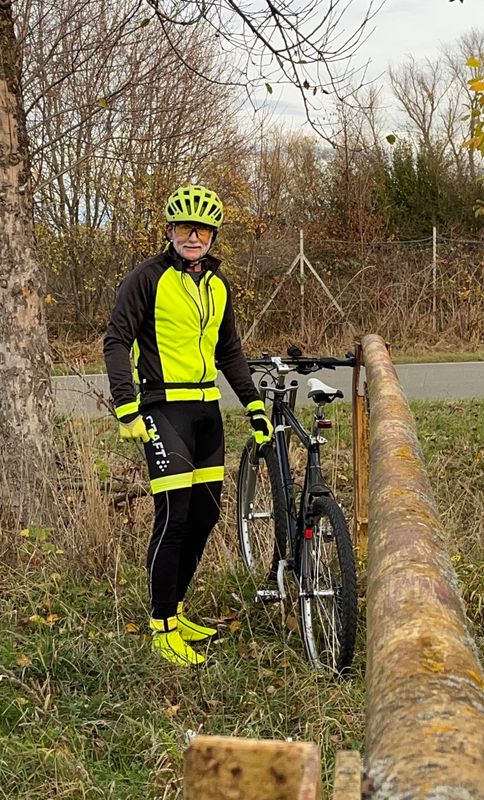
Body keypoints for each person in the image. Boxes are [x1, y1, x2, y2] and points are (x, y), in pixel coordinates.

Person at [103, 184, 273, 667]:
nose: (192, 236)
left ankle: (177, 612)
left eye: (201, 228)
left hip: (206, 412)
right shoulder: (146, 279)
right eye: (184, 227)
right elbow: (116, 341)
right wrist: (127, 407)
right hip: (163, 409)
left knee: (205, 516)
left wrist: (254, 405)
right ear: (170, 231)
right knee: (173, 518)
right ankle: (160, 629)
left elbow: (230, 351)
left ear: (213, 235)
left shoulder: (218, 285)